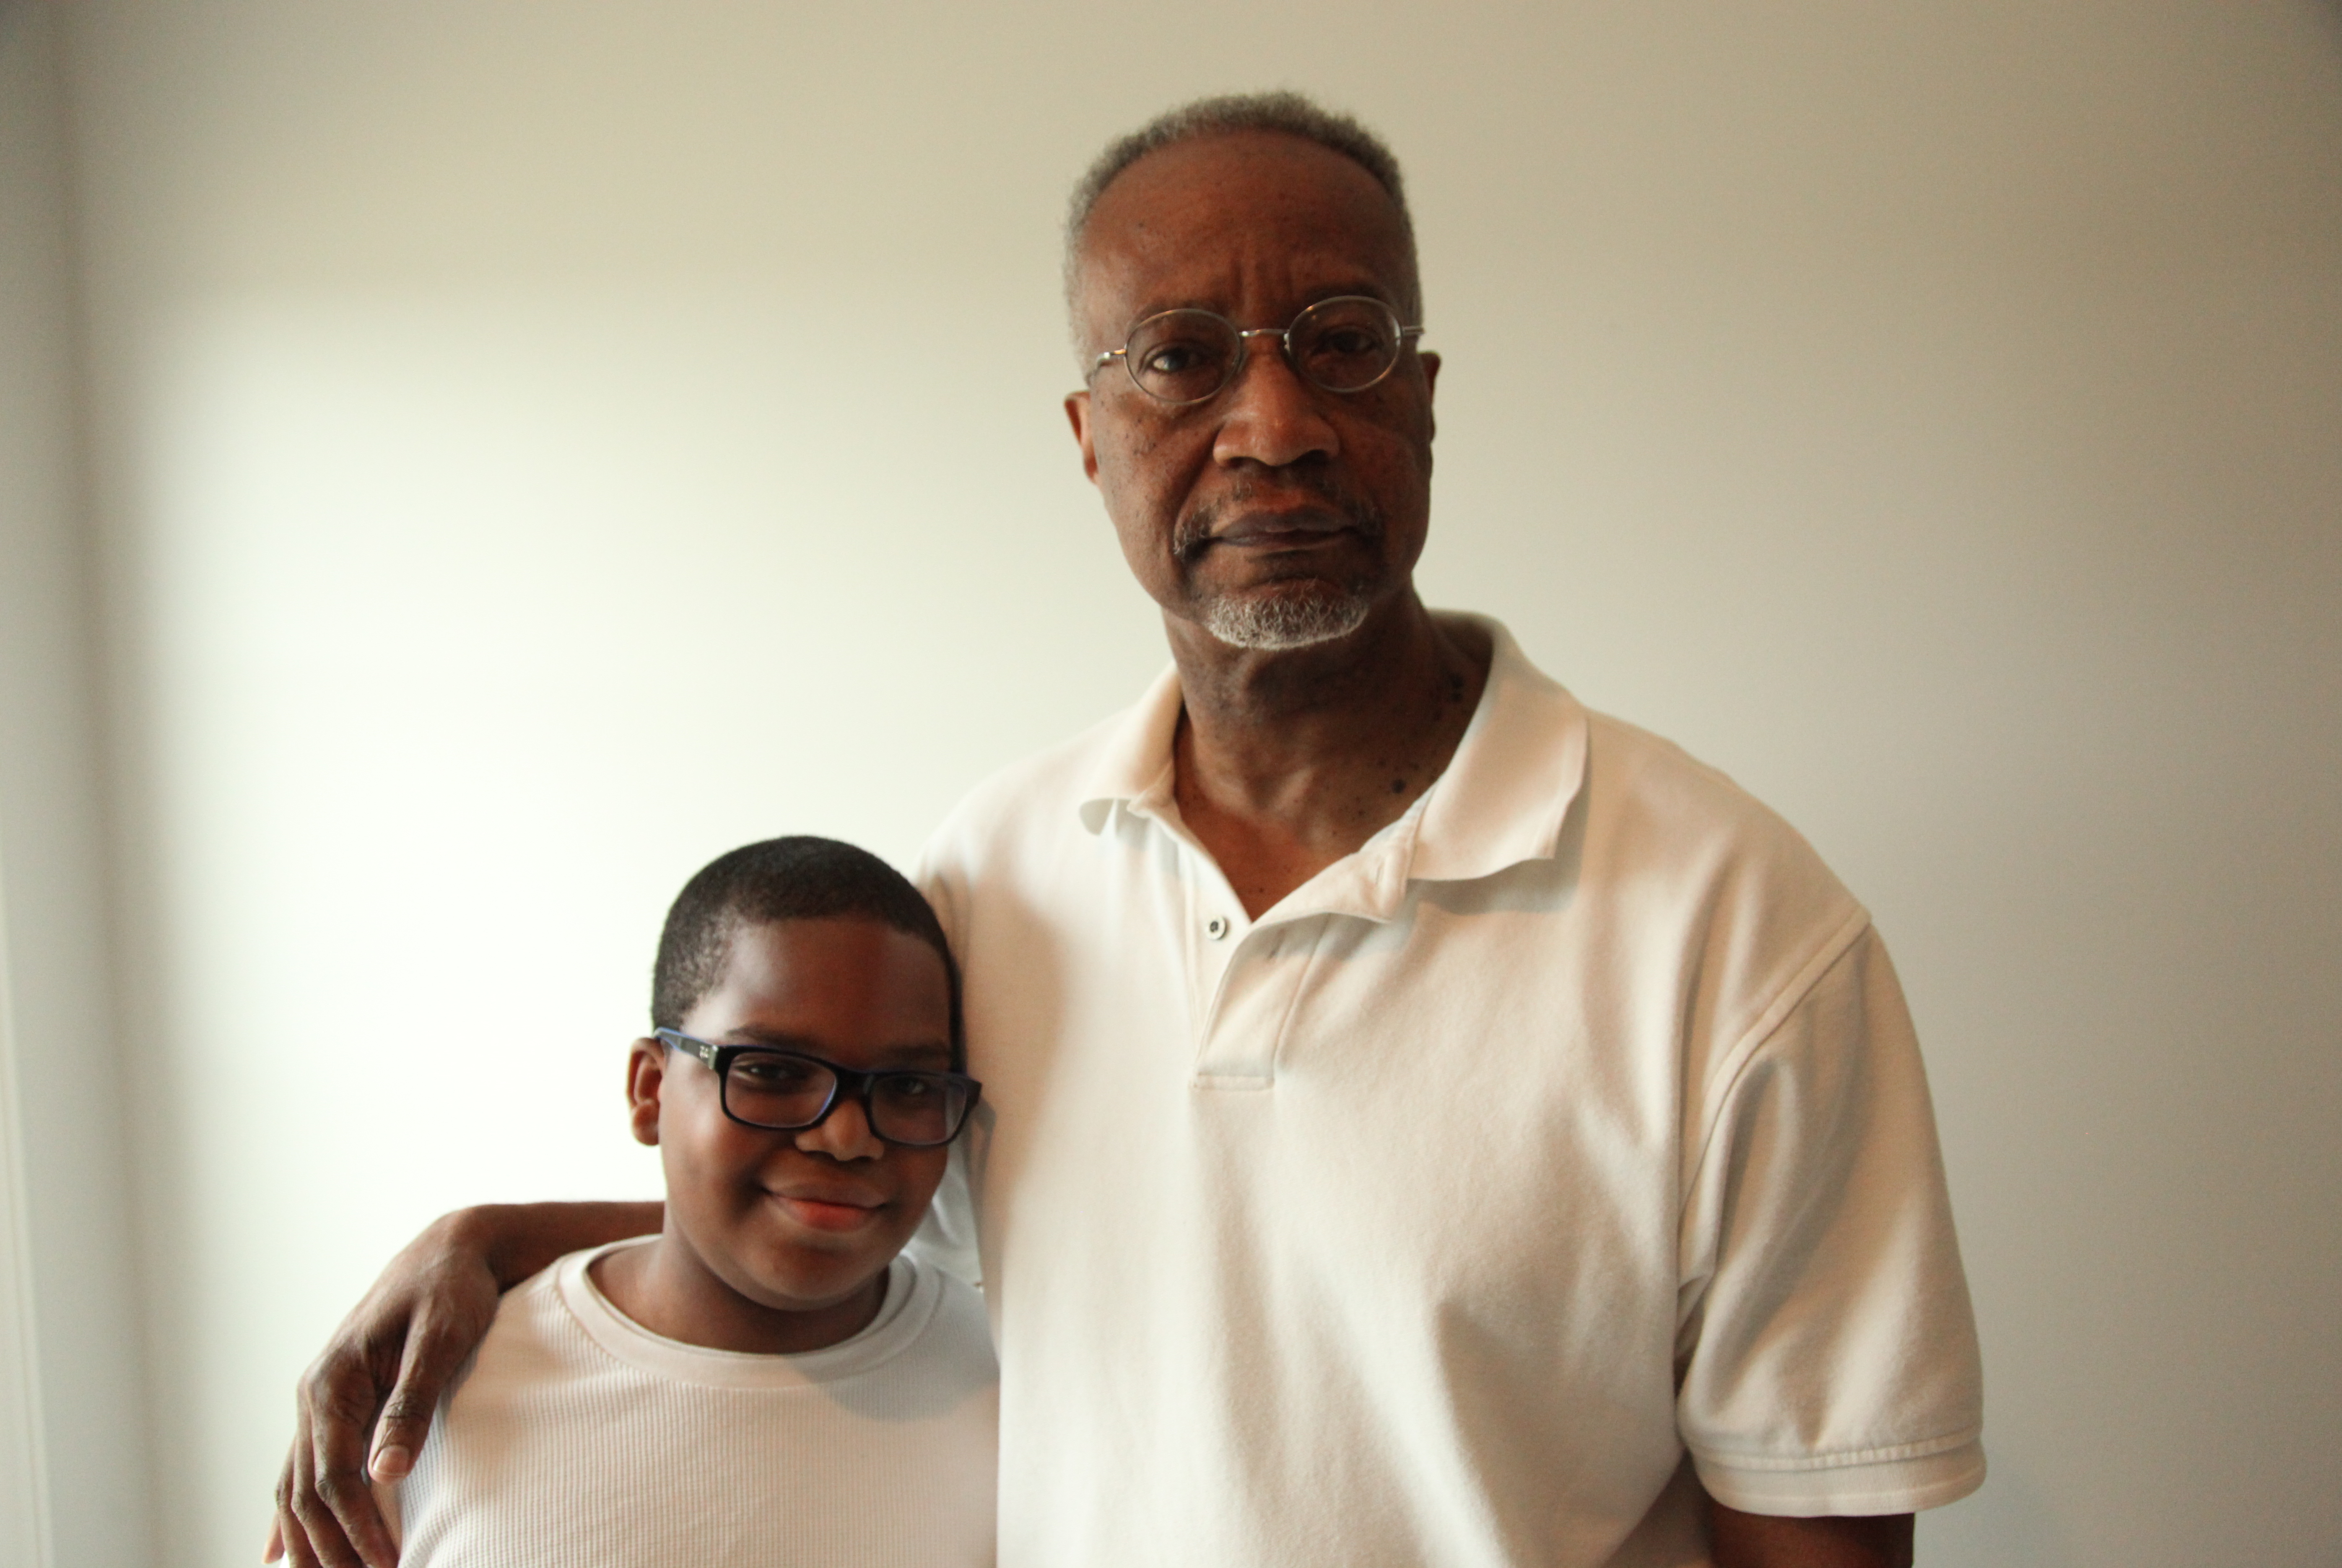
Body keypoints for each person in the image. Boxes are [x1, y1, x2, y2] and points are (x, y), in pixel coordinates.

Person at [271, 93, 1982, 1568]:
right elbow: (832, 1197)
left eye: (1341, 341)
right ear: (1090, 441)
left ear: (1426, 397)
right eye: (1179, 358)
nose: (1277, 425)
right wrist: (489, 1241)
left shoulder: (1733, 925)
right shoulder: (995, 872)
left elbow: (1815, 1525)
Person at [360, 837, 997, 1566]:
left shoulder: (1011, 1379)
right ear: (650, 1089)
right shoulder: (430, 1400)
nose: (846, 1135)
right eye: (769, 1070)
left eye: (910, 1087)